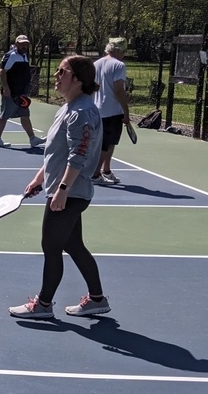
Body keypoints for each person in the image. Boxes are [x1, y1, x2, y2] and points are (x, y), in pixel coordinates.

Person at [9, 55, 109, 320]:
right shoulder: (68, 108)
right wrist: (40, 178)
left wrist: (62, 189)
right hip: (64, 190)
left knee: (51, 246)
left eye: (61, 72)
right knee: (73, 245)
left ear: (77, 80)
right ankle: (97, 300)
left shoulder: (81, 112)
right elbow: (57, 152)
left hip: (71, 193)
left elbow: (79, 155)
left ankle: (43, 305)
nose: (56, 76)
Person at [91, 38, 133, 185]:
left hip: (96, 110)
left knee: (109, 143)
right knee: (106, 144)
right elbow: (118, 91)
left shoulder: (95, 64)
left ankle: (106, 170)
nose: (124, 55)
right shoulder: (119, 65)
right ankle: (95, 175)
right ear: (118, 50)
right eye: (124, 51)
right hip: (112, 112)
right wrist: (126, 113)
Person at [0, 34, 44, 149]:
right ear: (16, 44)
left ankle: (32, 139)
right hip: (11, 92)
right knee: (4, 116)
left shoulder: (24, 56)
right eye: (22, 43)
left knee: (25, 115)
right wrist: (6, 88)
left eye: (26, 44)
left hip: (21, 93)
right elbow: (2, 71)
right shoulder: (11, 55)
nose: (24, 46)